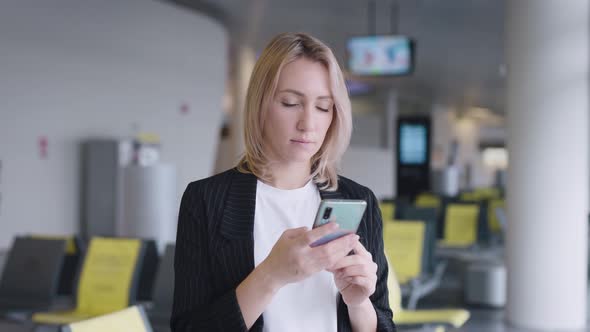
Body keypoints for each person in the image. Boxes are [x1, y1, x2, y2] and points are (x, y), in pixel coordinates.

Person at [171, 32, 396, 332]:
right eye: (290, 103)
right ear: (261, 105)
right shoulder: (206, 201)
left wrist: (358, 303)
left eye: (323, 107)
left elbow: (384, 324)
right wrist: (270, 276)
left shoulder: (358, 200)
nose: (308, 124)